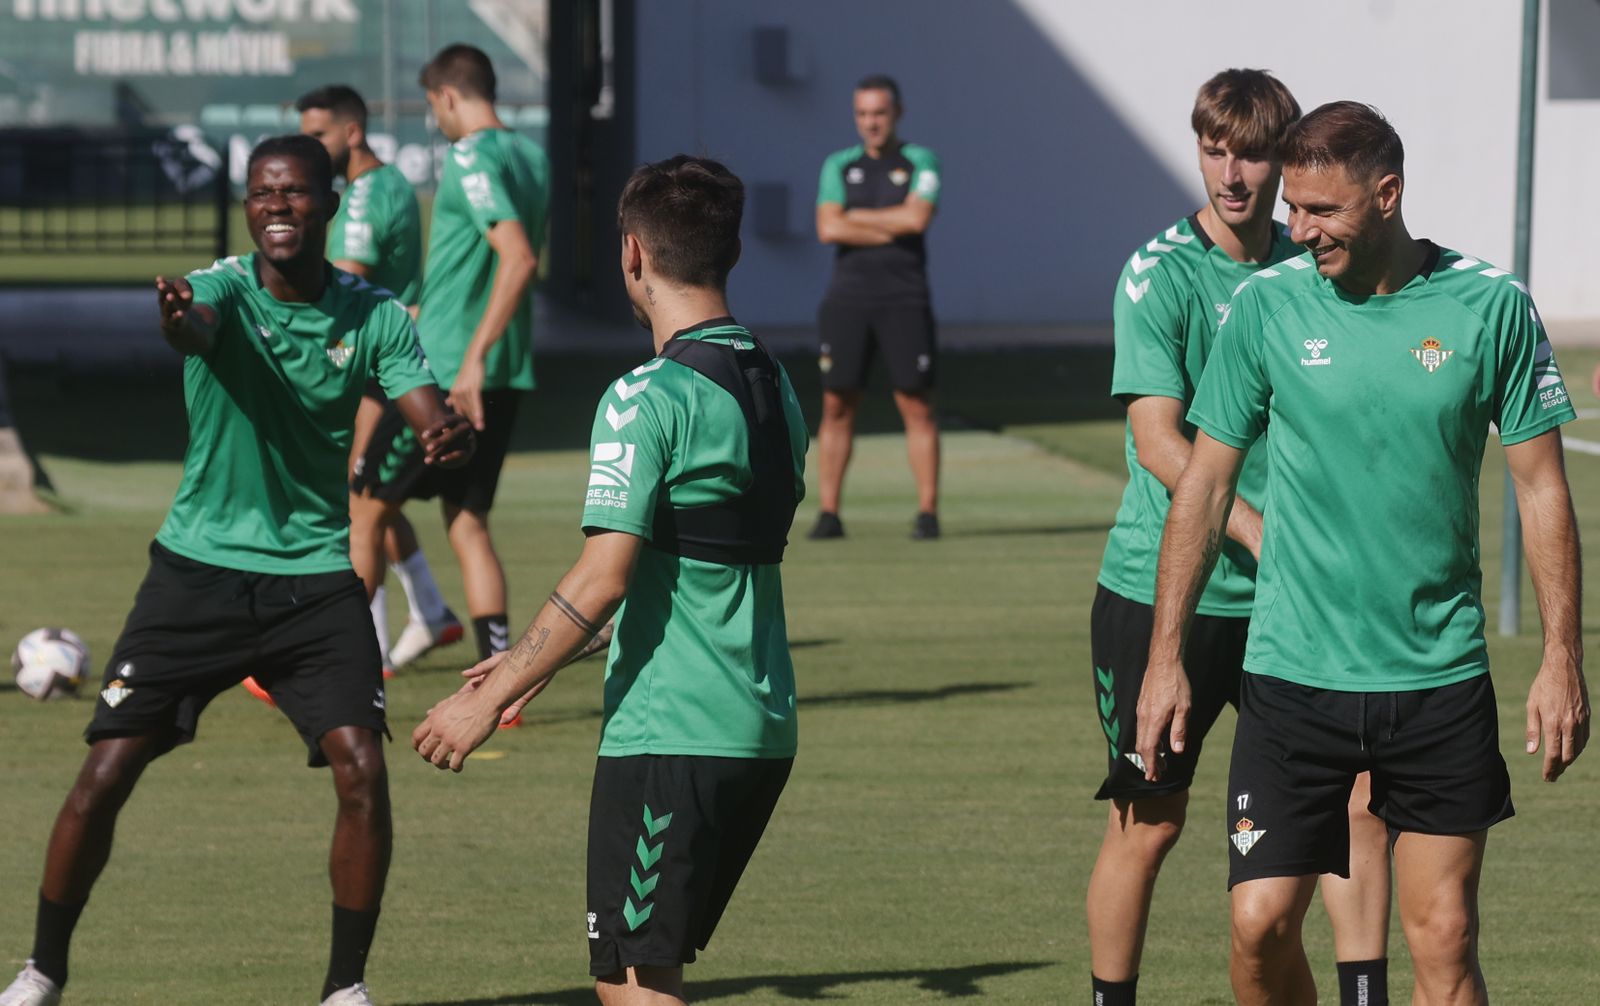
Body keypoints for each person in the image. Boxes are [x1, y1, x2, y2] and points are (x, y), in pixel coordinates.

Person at [0, 135, 473, 1006]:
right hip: (197, 575)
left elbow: (420, 400)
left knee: (362, 769)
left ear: (329, 206)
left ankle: (344, 989)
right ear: (247, 207)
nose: (278, 206)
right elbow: (196, 325)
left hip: (314, 579)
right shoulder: (217, 287)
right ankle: (41, 970)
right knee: (104, 775)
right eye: (263, 193)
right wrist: (177, 316)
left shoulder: (370, 314)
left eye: (296, 193)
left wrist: (441, 426)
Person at [1136, 102, 1589, 1005]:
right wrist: (1165, 661)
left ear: (1387, 195)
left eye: (1321, 212)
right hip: (1294, 675)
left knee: (1445, 937)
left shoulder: (1490, 306)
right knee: (1259, 926)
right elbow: (1207, 485)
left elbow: (1542, 487)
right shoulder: (1266, 306)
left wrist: (1562, 656)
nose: (1297, 230)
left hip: (1437, 677)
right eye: (1293, 209)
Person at [413, 155, 805, 1006]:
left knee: (633, 981)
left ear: (632, 253)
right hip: (758, 726)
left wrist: (488, 699)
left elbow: (604, 574)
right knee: (637, 969)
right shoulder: (775, 384)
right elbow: (691, 565)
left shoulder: (646, 394)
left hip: (672, 729)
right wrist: (528, 662)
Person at [1087, 71, 1391, 1006]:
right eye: (1215, 148)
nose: (1233, 171)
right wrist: (1254, 528)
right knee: (1152, 822)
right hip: (1160, 593)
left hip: (1293, 607)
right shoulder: (1160, 273)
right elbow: (1156, 439)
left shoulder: (1313, 269)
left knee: (1351, 806)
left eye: (1253, 151)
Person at [351, 43, 550, 669]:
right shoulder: (532, 157)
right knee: (467, 524)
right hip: (505, 371)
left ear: (446, 97)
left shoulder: (469, 155)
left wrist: (469, 360)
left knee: (362, 508)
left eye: (433, 106)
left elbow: (517, 257)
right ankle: (501, 678)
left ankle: (345, 669)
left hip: (441, 374)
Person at [297, 83, 464, 676]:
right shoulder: (390, 182)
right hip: (389, 364)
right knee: (373, 500)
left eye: (318, 134)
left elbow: (342, 286)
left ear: (352, 132)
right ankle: (431, 610)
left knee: (359, 507)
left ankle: (360, 653)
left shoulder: (364, 197)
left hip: (374, 370)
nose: (309, 145)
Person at [811, 74, 943, 541]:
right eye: (863, 114)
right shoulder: (838, 165)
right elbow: (827, 227)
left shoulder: (919, 161)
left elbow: (918, 216)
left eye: (879, 113)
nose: (871, 122)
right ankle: (829, 513)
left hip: (904, 296)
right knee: (837, 402)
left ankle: (927, 512)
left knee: (915, 402)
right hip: (848, 297)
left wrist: (855, 219)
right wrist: (891, 224)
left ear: (897, 114)